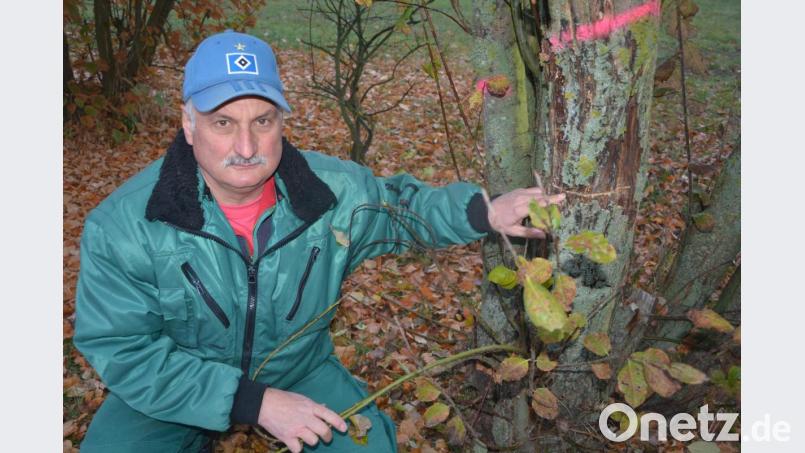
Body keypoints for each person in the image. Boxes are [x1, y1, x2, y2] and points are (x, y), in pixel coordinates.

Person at [73, 30, 564, 453]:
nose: (246, 147)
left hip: (297, 368)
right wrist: (254, 403)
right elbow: (124, 349)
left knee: (368, 446)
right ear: (188, 124)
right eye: (223, 122)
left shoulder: (330, 194)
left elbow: (402, 211)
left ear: (281, 122)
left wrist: (485, 211)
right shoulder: (127, 224)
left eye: (262, 121)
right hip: (178, 380)